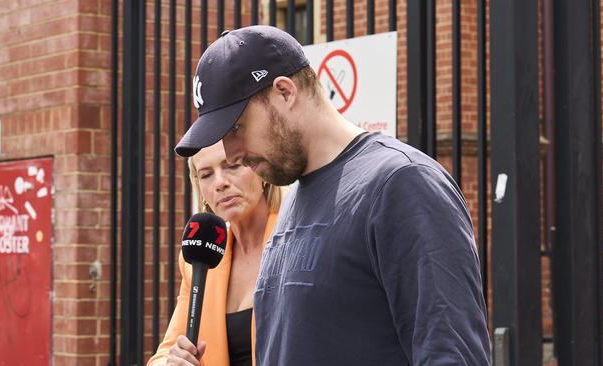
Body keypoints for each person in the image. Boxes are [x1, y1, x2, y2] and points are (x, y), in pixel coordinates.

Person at [175, 25, 491, 365]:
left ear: (284, 92)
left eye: (236, 127)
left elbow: (452, 355)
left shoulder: (402, 183)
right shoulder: (295, 199)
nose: (231, 152)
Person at [148, 141, 282, 366]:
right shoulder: (198, 261)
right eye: (206, 174)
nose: (219, 183)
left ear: (262, 171)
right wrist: (172, 363)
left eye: (232, 166)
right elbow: (165, 353)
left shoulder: (298, 239)